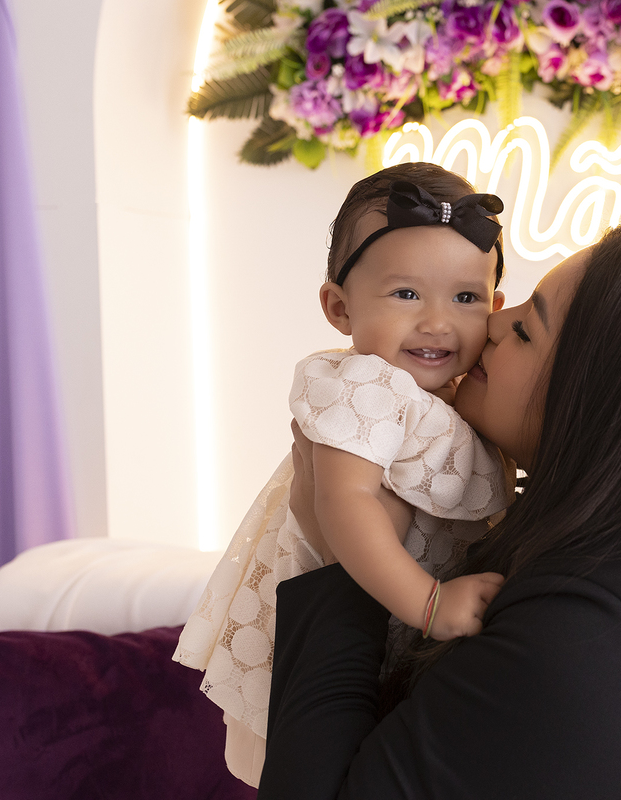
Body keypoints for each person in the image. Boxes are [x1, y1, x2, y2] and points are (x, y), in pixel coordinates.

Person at [263, 224, 621, 800]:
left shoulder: (592, 636)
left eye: (525, 328)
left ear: (604, 405)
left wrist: (340, 560)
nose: (491, 323)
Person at [174, 164, 518, 786]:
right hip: (344, 633)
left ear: (494, 309)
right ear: (339, 307)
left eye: (465, 299)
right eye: (406, 294)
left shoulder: (463, 401)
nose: (437, 321)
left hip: (395, 636)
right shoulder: (365, 384)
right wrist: (430, 603)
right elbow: (343, 502)